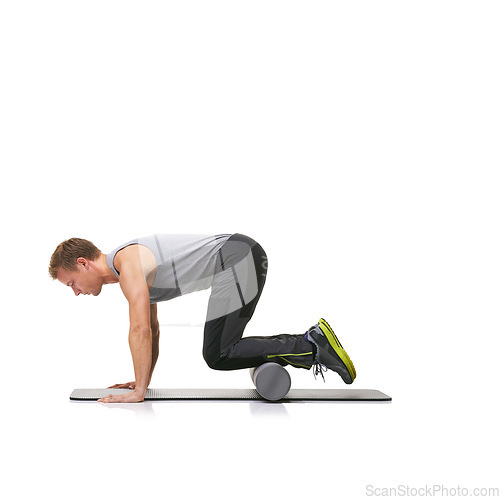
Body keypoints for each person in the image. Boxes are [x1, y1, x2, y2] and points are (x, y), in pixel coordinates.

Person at [49, 232, 356, 403]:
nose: (75, 292)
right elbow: (153, 332)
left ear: (83, 263)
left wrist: (140, 393)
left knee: (218, 354)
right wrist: (142, 381)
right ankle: (308, 347)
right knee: (219, 353)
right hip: (240, 258)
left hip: (238, 258)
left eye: (71, 283)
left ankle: (311, 344)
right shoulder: (128, 273)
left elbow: (139, 328)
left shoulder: (126, 261)